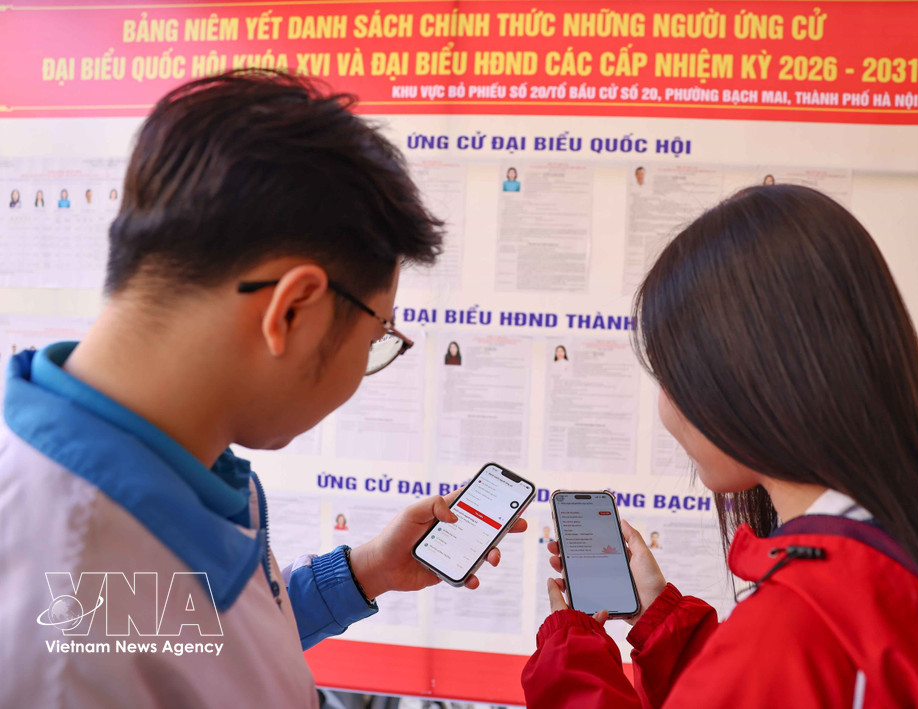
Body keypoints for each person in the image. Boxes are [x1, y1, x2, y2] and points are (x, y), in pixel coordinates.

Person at [0, 71, 526, 709]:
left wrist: (368, 573)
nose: (366, 365)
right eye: (376, 338)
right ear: (292, 312)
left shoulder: (174, 463)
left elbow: (202, 648)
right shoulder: (61, 633)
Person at [523, 185, 918, 707]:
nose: (665, 409)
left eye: (669, 374)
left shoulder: (797, 627)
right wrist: (660, 619)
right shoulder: (903, 560)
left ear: (740, 375)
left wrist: (570, 657)